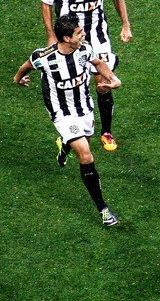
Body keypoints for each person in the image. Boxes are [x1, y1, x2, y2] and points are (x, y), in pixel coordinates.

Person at [14, 14, 122, 227]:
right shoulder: (44, 57)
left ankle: (64, 145)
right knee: (86, 154)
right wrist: (18, 78)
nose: (83, 35)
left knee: (85, 143)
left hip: (84, 108)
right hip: (62, 112)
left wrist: (113, 79)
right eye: (79, 33)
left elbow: (99, 63)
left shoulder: (85, 49)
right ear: (65, 37)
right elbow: (27, 65)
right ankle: (103, 209)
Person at [40, 0, 132, 151]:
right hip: (71, 42)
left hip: (98, 39)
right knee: (74, 84)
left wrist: (125, 25)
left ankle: (106, 132)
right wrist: (51, 35)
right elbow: (46, 2)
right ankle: (70, 132)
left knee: (102, 83)